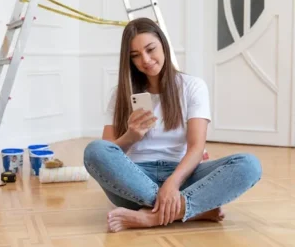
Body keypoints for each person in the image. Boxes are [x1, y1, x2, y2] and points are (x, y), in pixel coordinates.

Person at [83, 17, 262, 233]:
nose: (146, 60)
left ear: (163, 44)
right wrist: (131, 136)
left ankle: (153, 217)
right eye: (136, 56)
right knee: (94, 150)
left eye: (150, 49)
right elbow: (107, 152)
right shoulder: (120, 95)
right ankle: (191, 209)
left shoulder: (192, 87)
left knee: (249, 165)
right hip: (135, 180)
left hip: (183, 175)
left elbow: (196, 149)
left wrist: (172, 184)